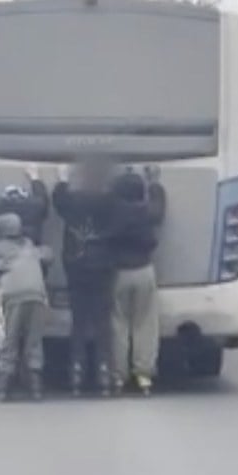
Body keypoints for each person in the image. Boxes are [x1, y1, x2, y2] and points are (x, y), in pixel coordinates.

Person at [52, 157, 118, 396]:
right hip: (102, 268)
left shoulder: (73, 202)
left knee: (79, 322)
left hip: (76, 268)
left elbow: (57, 199)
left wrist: (62, 179)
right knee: (102, 322)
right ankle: (103, 373)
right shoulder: (109, 202)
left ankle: (76, 373)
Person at [108, 165, 167, 396]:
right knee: (145, 324)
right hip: (144, 270)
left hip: (118, 273)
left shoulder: (112, 214)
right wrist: (154, 183)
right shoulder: (146, 212)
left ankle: (118, 376)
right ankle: (143, 375)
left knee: (118, 324)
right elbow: (159, 208)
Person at [0, 212, 53, 402]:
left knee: (10, 340)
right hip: (37, 295)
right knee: (34, 341)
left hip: (13, 298)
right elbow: (49, 255)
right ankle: (36, 387)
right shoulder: (29, 246)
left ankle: (4, 388)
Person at [0, 164, 49, 244]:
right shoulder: (35, 209)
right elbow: (42, 199)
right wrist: (35, 177)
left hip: (8, 253)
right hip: (30, 251)